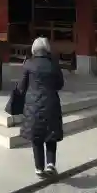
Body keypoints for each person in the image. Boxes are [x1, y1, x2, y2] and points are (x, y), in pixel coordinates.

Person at [18, 37, 64, 178]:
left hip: (33, 104)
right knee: (51, 135)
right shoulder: (54, 64)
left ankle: (39, 168)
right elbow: (60, 84)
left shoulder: (28, 64)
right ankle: (51, 164)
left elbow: (21, 87)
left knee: (36, 136)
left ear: (34, 49)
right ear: (47, 49)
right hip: (51, 103)